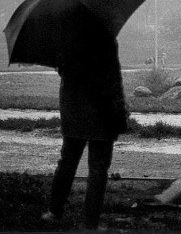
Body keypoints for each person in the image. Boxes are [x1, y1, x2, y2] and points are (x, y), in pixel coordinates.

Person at [41, 12, 129, 231]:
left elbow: (63, 72)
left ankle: (54, 211)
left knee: (67, 161)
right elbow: (112, 80)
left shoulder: (66, 37)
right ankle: (90, 223)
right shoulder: (106, 39)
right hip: (101, 113)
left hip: (73, 112)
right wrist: (120, 111)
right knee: (98, 168)